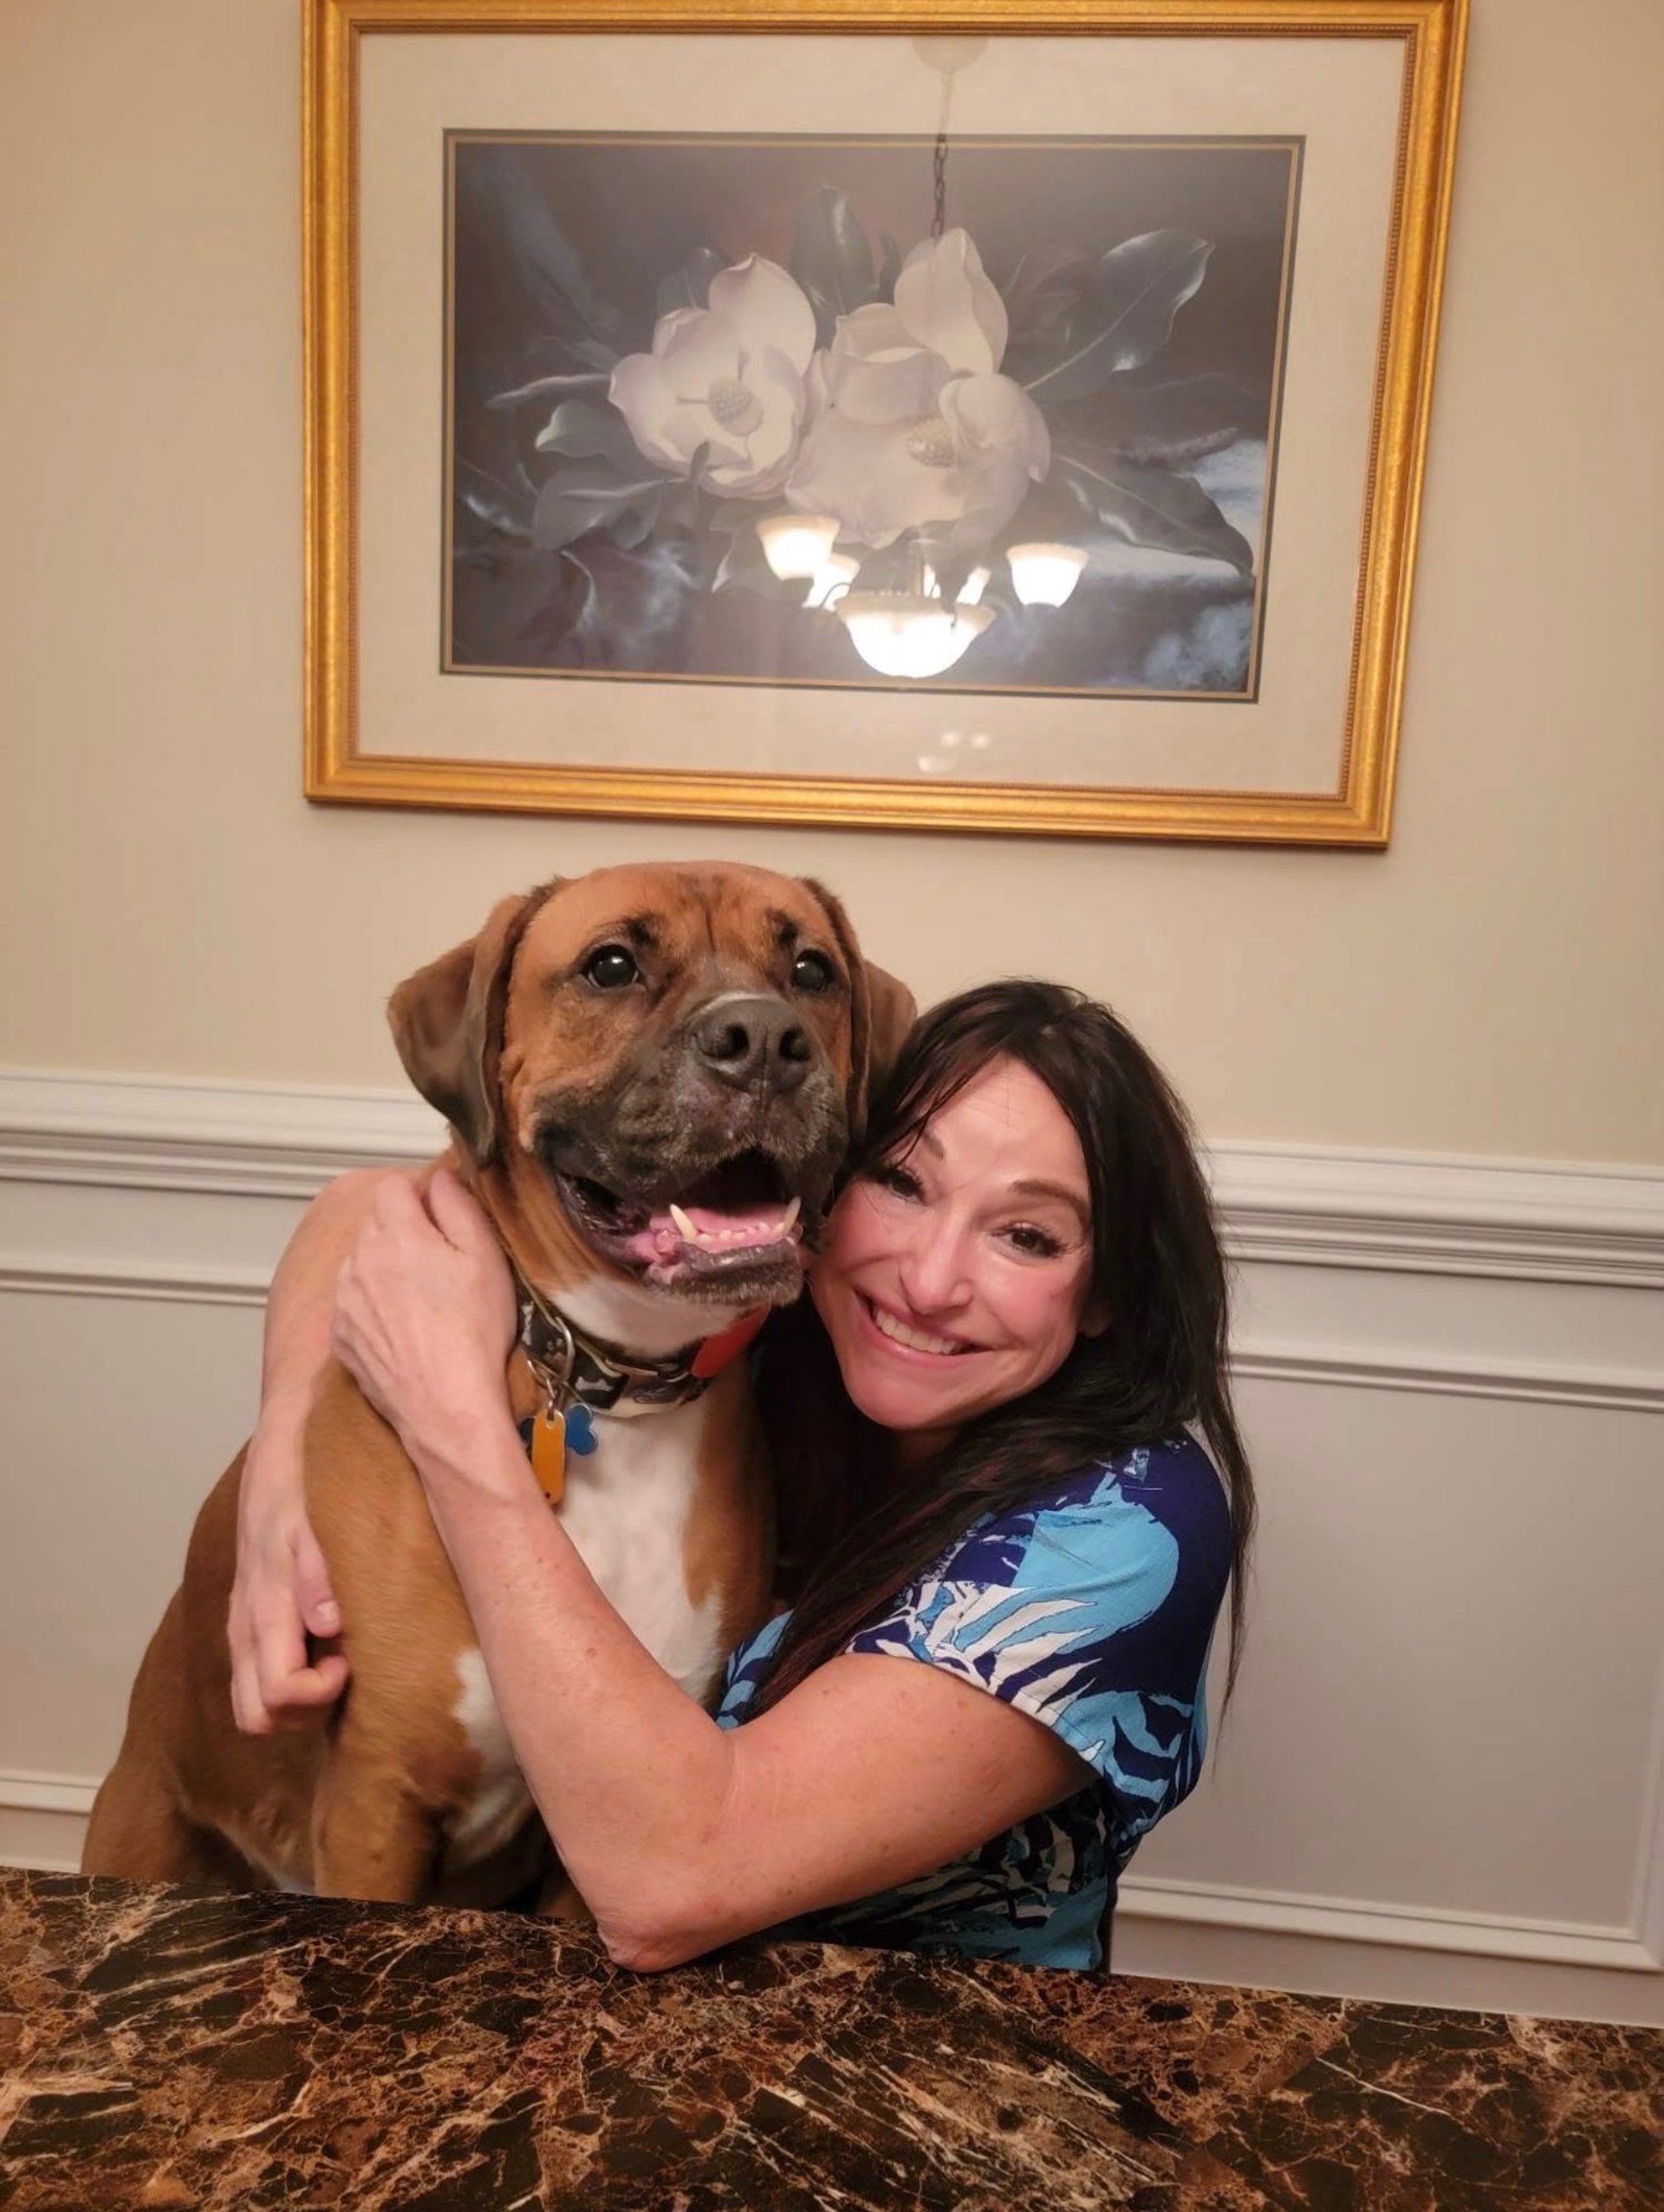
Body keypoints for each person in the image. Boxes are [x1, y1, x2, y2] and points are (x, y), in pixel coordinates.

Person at [231, 981, 1254, 1972]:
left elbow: (671, 1883)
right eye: (900, 1182)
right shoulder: (768, 1342)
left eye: (1027, 1236)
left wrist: (453, 1422)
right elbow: (366, 1206)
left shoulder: (1131, 1535)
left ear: (1107, 1291)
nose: (930, 1283)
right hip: (611, 2033)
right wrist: (280, 1465)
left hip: (937, 2082)